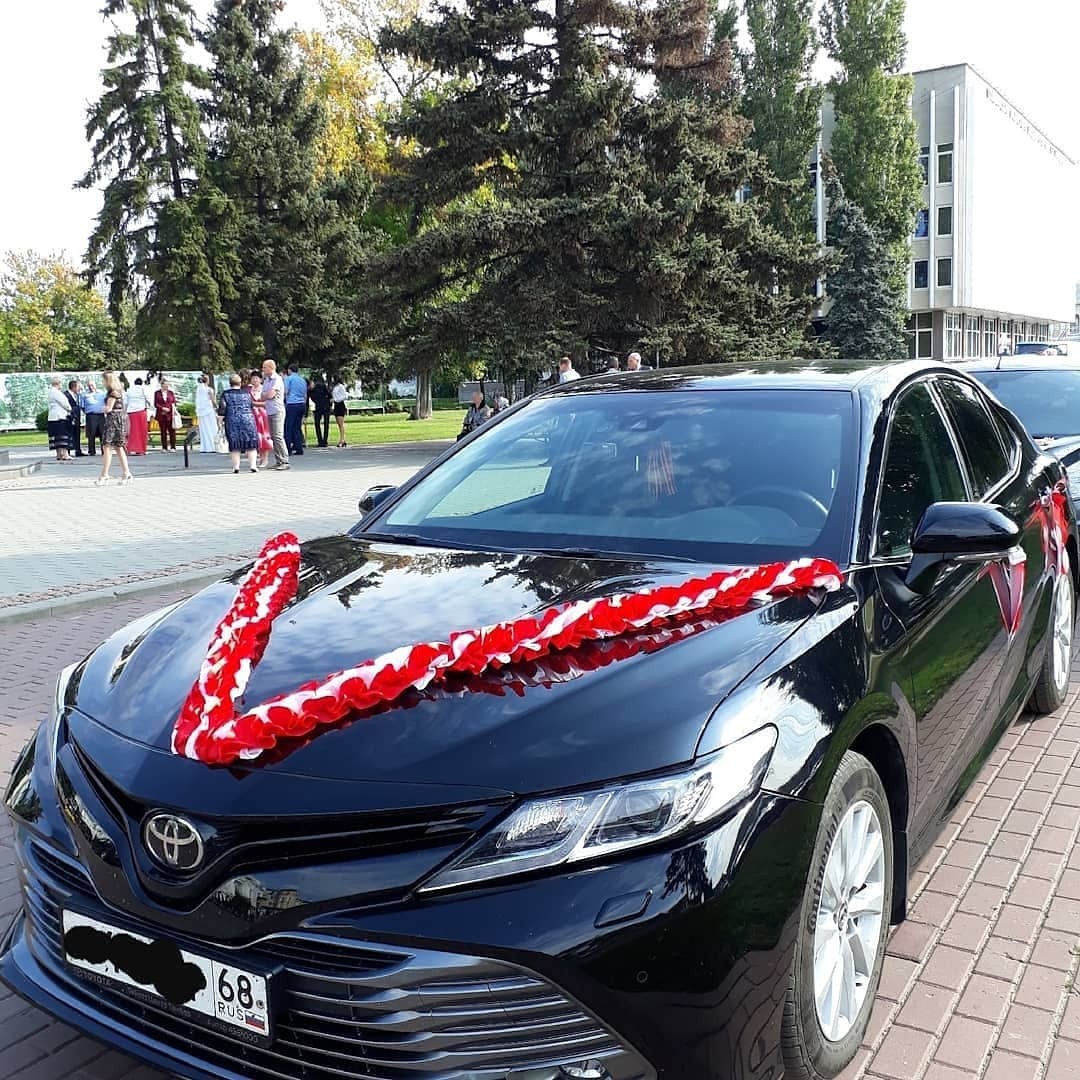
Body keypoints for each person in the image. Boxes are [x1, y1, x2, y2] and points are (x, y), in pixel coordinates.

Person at [218, 373, 260, 473]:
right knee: (251, 443)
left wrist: (219, 423)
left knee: (235, 445)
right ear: (240, 383)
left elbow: (222, 409)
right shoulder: (247, 393)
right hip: (248, 420)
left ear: (230, 383)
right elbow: (251, 405)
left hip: (232, 420)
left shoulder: (226, 394)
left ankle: (236, 467)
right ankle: (253, 466)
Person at [97, 372, 133, 485]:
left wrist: (102, 408)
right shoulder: (118, 392)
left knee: (107, 447)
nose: (102, 383)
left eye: (103, 380)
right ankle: (127, 473)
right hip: (119, 420)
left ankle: (104, 475)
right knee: (118, 447)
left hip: (113, 421)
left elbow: (108, 408)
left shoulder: (112, 393)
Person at [260, 359, 289, 470]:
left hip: (277, 410)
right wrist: (266, 395)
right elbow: (262, 395)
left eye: (264, 367)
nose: (263, 369)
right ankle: (278, 460)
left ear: (271, 368)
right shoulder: (266, 380)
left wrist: (266, 395)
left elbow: (270, 395)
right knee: (273, 436)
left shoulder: (277, 379)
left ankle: (285, 461)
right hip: (269, 410)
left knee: (278, 436)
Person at [248, 373, 272, 469]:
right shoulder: (249, 390)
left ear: (261, 380)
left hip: (262, 415)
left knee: (264, 436)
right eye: (253, 378)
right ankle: (258, 457)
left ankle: (265, 458)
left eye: (257, 378)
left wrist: (255, 404)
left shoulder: (264, 389)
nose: (255, 380)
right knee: (255, 437)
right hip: (252, 415)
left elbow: (268, 403)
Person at [46, 377, 73, 462]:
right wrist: (70, 409)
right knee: (62, 435)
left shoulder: (50, 392)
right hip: (59, 416)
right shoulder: (56, 392)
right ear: (59, 383)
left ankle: (59, 454)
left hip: (52, 417)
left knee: (57, 437)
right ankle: (65, 454)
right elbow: (65, 404)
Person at [283, 364, 307, 456]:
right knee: (297, 427)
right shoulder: (302, 380)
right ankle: (299, 448)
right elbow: (305, 394)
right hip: (301, 404)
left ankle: (288, 448)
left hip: (292, 404)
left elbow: (286, 391)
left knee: (288, 427)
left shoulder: (288, 379)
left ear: (289, 370)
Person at [125, 377, 150, 455]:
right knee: (142, 431)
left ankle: (130, 449)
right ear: (141, 383)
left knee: (132, 431)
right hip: (140, 411)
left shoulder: (129, 390)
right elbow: (148, 399)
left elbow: (126, 402)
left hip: (131, 412)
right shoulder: (143, 389)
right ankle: (141, 449)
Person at [195, 375, 219, 453]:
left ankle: (205, 447)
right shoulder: (209, 389)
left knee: (204, 428)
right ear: (207, 380)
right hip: (208, 410)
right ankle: (213, 446)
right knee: (212, 427)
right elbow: (213, 400)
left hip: (201, 411)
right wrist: (217, 407)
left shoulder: (198, 389)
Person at [81, 381, 106, 455]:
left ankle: (104, 450)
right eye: (89, 385)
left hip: (101, 415)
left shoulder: (102, 393)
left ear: (95, 385)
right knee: (91, 434)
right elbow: (82, 406)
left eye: (92, 385)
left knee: (102, 433)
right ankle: (91, 451)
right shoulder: (85, 395)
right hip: (91, 416)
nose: (90, 387)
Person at [154, 378, 178, 453]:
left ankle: (173, 447)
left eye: (167, 385)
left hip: (170, 415)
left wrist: (170, 409)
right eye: (165, 385)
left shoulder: (171, 393)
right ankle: (164, 447)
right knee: (163, 432)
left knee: (172, 431)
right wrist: (162, 408)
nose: (166, 386)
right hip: (161, 415)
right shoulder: (157, 393)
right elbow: (156, 404)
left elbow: (173, 402)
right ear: (161, 385)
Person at [310, 376, 331, 449]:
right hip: (325, 406)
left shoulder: (314, 389)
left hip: (319, 407)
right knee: (325, 424)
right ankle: (324, 441)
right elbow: (329, 395)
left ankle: (321, 441)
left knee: (318, 424)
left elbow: (312, 397)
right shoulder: (323, 387)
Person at [65, 379, 84, 456]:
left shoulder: (77, 395)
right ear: (74, 387)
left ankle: (78, 450)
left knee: (77, 434)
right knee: (69, 434)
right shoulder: (66, 395)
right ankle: (68, 452)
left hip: (77, 418)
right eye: (78, 387)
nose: (79, 389)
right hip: (70, 418)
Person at [331, 375, 348, 447]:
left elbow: (345, 396)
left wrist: (336, 399)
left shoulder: (341, 386)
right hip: (336, 405)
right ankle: (343, 440)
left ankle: (342, 440)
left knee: (341, 424)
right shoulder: (335, 387)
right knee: (339, 424)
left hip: (340, 405)